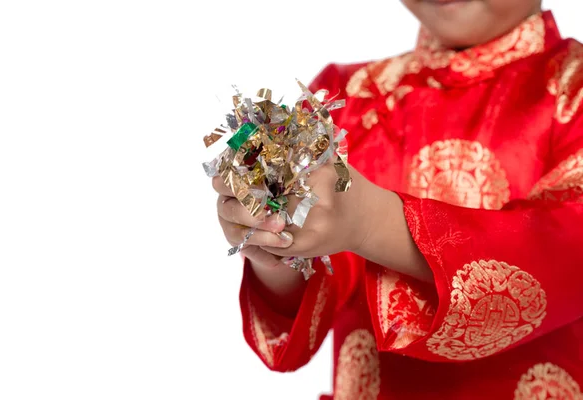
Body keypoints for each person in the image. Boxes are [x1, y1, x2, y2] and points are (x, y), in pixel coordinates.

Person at [212, 1, 583, 398]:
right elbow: (311, 294)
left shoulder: (573, 89)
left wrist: (372, 222)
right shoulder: (349, 97)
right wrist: (275, 242)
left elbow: (566, 248)